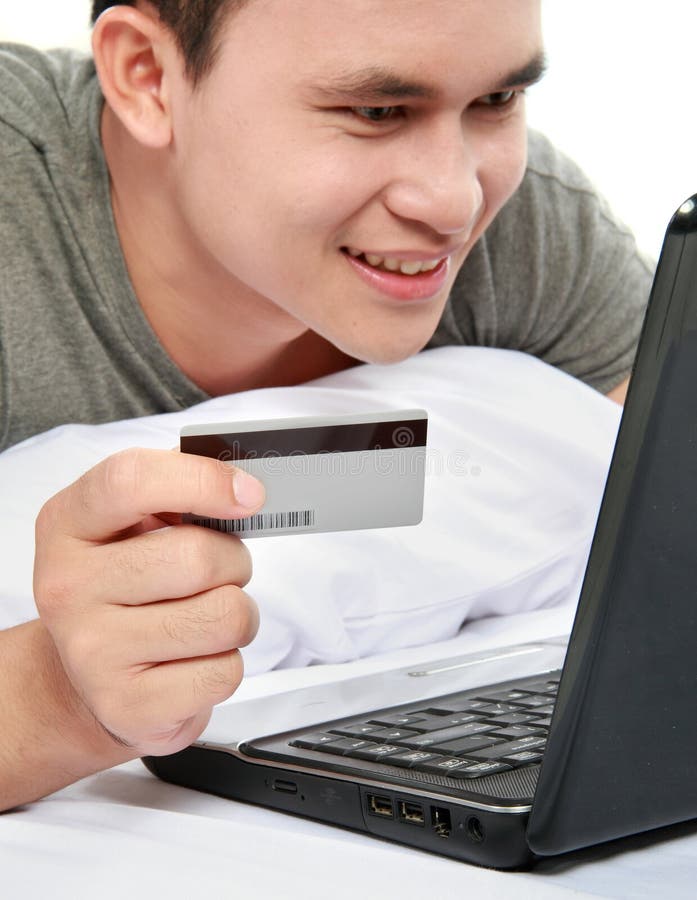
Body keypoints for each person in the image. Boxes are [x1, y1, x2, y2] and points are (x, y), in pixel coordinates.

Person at [0, 0, 652, 811]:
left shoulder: (532, 230)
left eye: (497, 100)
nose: (453, 204)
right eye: (375, 111)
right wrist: (56, 698)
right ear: (148, 77)